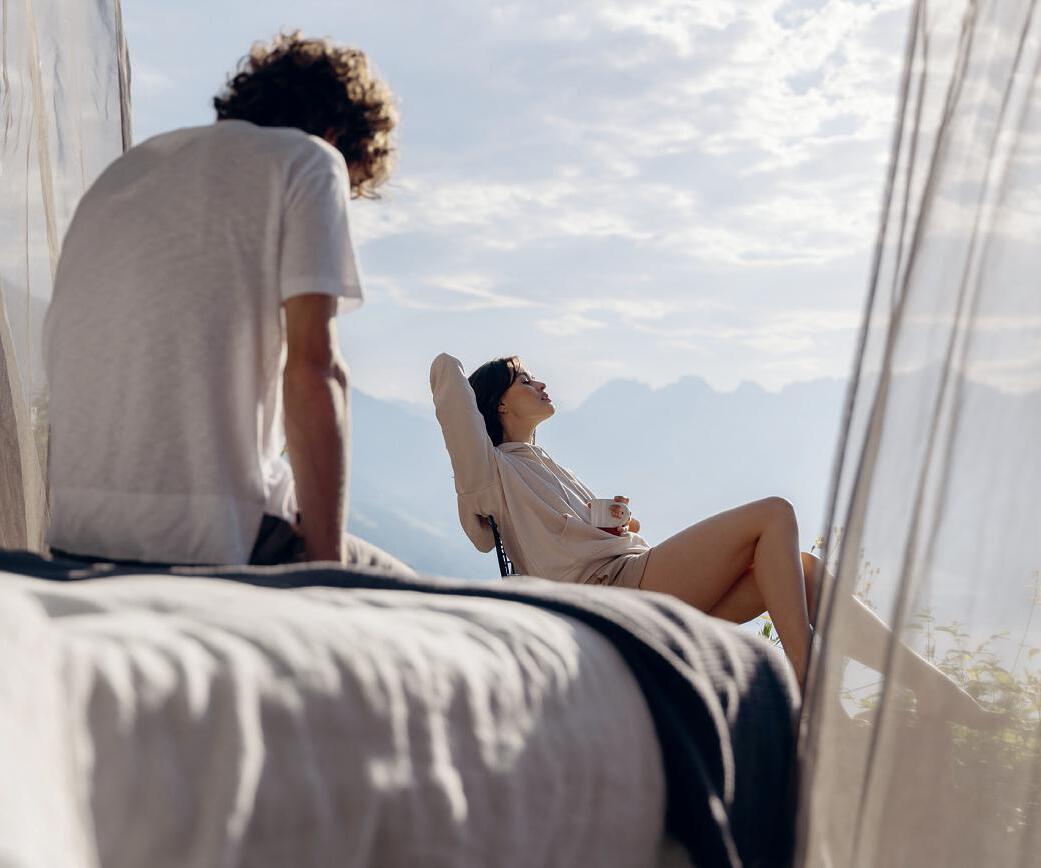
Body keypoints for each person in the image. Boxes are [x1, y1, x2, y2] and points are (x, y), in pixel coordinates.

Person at [430, 351, 1005, 722]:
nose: (540, 382)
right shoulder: (489, 473)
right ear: (498, 403)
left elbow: (568, 540)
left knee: (803, 571)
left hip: (635, 580)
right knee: (774, 513)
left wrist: (615, 525)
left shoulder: (541, 462)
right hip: (616, 598)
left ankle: (935, 689)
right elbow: (445, 374)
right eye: (524, 379)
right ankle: (811, 688)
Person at [42, 32, 410, 575]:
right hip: (210, 534)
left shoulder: (126, 171)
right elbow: (315, 371)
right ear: (338, 136)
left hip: (79, 530)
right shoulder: (309, 160)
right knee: (410, 594)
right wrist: (326, 570)